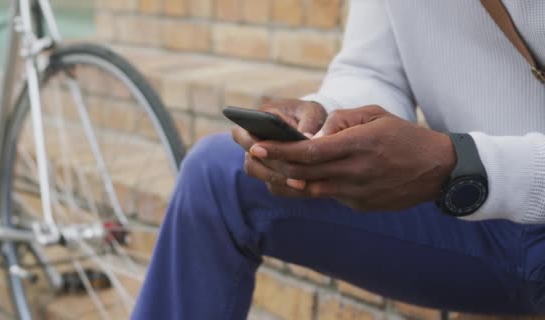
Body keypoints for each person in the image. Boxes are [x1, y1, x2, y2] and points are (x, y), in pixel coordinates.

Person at [133, 0, 545, 318]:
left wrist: (461, 166)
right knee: (215, 173)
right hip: (474, 215)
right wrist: (325, 124)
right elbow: (374, 72)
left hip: (487, 187)